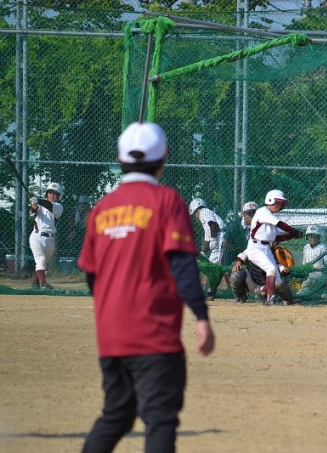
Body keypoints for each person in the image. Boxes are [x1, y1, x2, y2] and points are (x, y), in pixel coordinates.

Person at [78, 121, 215, 453]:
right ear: (163, 159)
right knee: (160, 420)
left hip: (111, 337)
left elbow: (91, 275)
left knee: (116, 416)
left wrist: (113, 310)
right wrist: (201, 316)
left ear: (120, 159)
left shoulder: (101, 209)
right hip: (154, 335)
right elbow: (182, 265)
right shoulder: (168, 201)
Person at [247, 189, 303, 305]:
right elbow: (280, 224)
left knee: (277, 282)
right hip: (255, 247)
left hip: (266, 248)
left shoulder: (270, 218)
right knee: (271, 268)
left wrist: (292, 235)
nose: (280, 206)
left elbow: (277, 238)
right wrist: (294, 231)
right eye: (278, 202)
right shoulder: (263, 211)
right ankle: (270, 299)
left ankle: (261, 291)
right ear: (270, 200)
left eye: (281, 204)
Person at [189, 198, 227, 300]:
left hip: (219, 238)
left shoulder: (203, 212)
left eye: (194, 214)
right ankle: (211, 291)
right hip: (218, 238)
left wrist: (213, 239)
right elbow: (207, 242)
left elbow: (212, 224)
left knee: (212, 267)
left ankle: (211, 293)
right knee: (217, 266)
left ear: (196, 209)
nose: (195, 216)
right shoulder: (205, 215)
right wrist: (202, 253)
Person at [29, 181, 64, 290]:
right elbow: (34, 210)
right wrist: (34, 203)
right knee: (41, 259)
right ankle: (43, 284)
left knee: (43, 263)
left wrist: (37, 199)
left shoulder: (58, 207)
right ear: (47, 193)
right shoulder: (40, 205)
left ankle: (35, 283)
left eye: (55, 194)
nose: (52, 195)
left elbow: (48, 205)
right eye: (50, 193)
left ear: (58, 196)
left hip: (50, 240)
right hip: (37, 237)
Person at [229, 247, 295, 304]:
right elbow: (241, 257)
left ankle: (287, 300)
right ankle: (240, 297)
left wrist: (286, 268)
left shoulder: (275, 252)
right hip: (252, 282)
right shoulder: (253, 247)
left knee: (281, 281)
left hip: (267, 286)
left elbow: (284, 271)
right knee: (236, 274)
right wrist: (238, 264)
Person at [298, 225, 327, 296]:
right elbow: (304, 262)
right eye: (310, 236)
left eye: (315, 236)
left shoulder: (323, 247)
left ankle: (325, 289)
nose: (312, 238)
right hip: (309, 275)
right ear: (307, 237)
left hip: (321, 275)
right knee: (304, 289)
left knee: (325, 291)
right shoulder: (306, 247)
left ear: (319, 237)